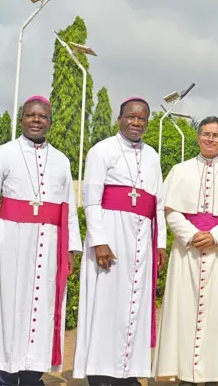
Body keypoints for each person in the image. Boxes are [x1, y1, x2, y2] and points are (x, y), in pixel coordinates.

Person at [0, 95, 82, 385]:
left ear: (50, 122)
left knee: (42, 307)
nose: (37, 120)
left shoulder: (61, 160)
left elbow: (67, 208)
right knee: (6, 306)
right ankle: (4, 376)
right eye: (31, 115)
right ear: (21, 120)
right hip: (8, 240)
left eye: (42, 116)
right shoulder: (3, 153)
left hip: (48, 244)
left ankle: (33, 375)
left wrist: (70, 249)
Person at [153, 116, 218, 385]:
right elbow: (170, 210)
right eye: (205, 134)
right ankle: (183, 370)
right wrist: (190, 234)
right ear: (198, 137)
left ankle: (215, 371)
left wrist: (215, 236)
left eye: (216, 135)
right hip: (186, 251)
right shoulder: (180, 170)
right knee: (183, 308)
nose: (210, 139)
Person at [73, 97, 167, 386]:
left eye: (142, 119)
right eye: (131, 117)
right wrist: (99, 240)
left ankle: (128, 370)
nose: (136, 123)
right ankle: (101, 372)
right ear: (120, 119)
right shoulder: (101, 150)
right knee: (105, 304)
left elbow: (158, 203)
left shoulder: (152, 155)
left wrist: (160, 242)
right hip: (111, 238)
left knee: (135, 304)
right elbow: (90, 200)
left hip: (142, 239)